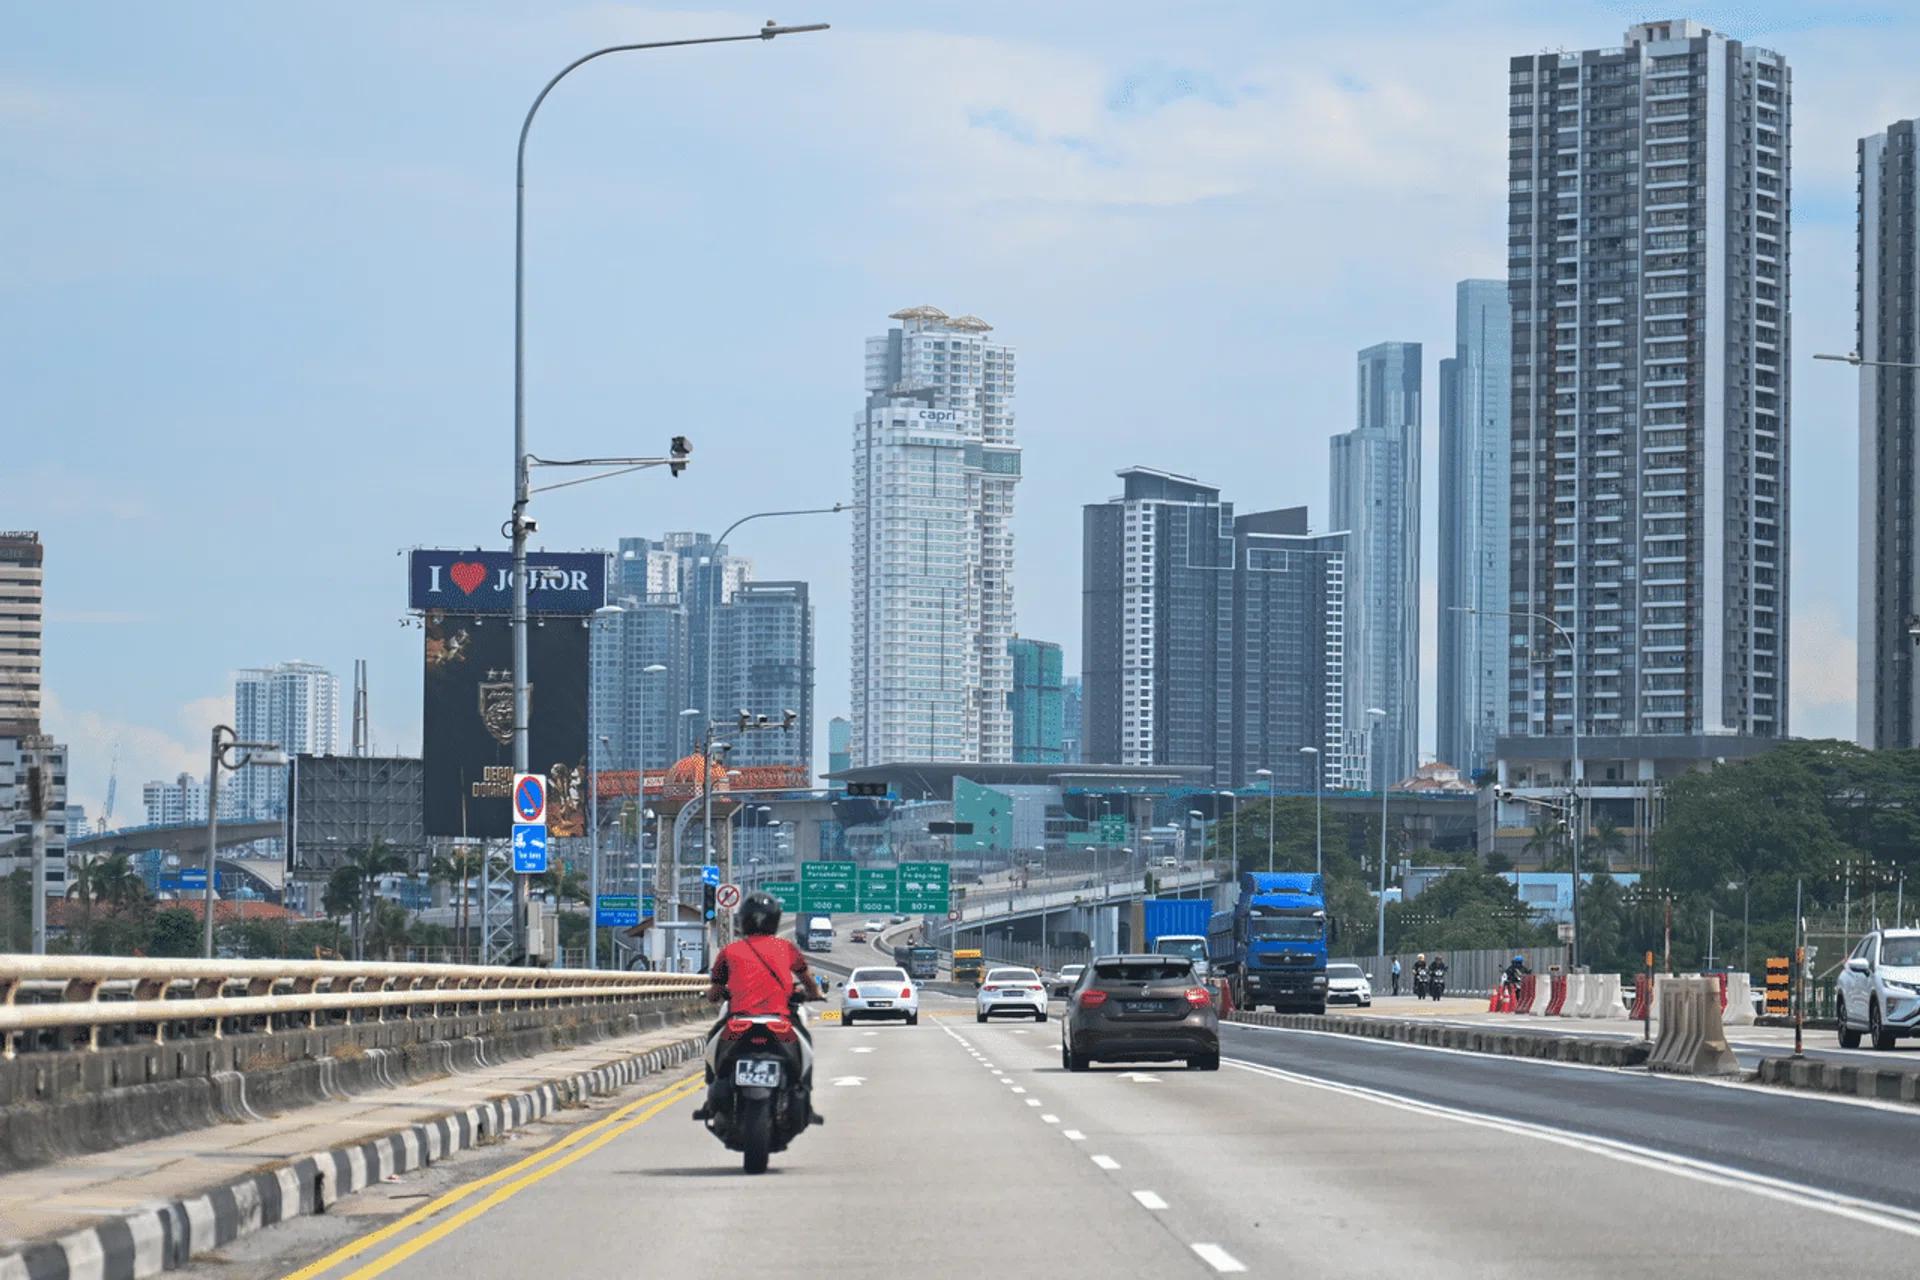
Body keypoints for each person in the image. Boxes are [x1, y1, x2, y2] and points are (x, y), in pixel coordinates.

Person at [693, 891, 826, 1123]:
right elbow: (808, 981)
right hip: (779, 1021)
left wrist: (714, 995)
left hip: (739, 1020)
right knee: (806, 1044)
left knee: (713, 1041)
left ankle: (710, 1096)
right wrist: (814, 994)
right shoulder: (786, 948)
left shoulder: (730, 951)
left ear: (743, 920)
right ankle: (805, 1095)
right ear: (775, 920)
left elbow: (715, 992)